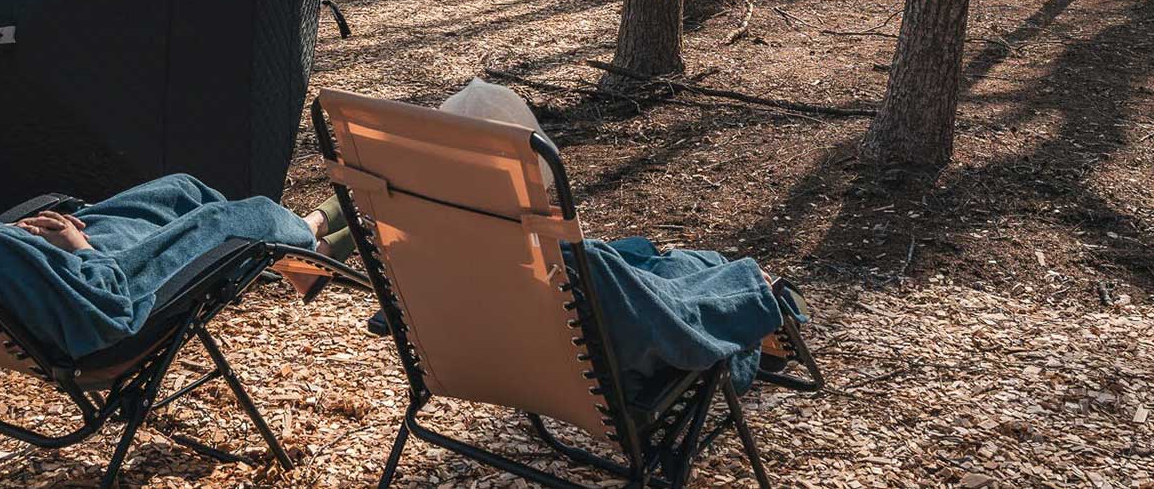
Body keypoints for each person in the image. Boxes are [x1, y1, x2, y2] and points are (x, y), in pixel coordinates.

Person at [326, 79, 809, 398]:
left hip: (495, 359)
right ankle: (766, 295)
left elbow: (386, 319)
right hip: (599, 361)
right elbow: (679, 330)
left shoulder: (416, 259)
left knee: (642, 257)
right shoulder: (576, 265)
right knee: (684, 266)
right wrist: (750, 288)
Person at [0, 86, 337, 361]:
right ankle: (311, 232)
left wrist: (47, 242)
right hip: (108, 294)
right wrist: (78, 246)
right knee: (228, 218)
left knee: (179, 190)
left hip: (44, 274)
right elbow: (103, 309)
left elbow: (15, 268)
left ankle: (274, 262)